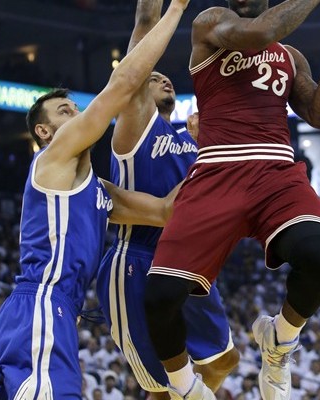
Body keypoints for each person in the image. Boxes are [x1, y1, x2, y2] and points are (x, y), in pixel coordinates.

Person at [143, 0, 320, 399]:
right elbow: (260, 33)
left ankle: (279, 339)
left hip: (275, 171)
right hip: (216, 170)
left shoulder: (290, 57)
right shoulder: (211, 23)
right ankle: (184, 387)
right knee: (158, 297)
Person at [0, 0, 191, 398]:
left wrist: (218, 153)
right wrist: (176, 10)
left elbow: (168, 211)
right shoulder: (53, 157)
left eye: (75, 107)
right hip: (41, 304)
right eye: (66, 111)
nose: (77, 115)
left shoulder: (97, 191)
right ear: (46, 132)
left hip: (57, 313)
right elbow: (122, 87)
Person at [96, 0, 239, 399]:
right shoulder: (136, 128)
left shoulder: (191, 142)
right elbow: (144, 23)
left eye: (166, 78)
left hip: (186, 261)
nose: (163, 79)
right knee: (161, 390)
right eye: (153, 77)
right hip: (137, 260)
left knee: (225, 361)